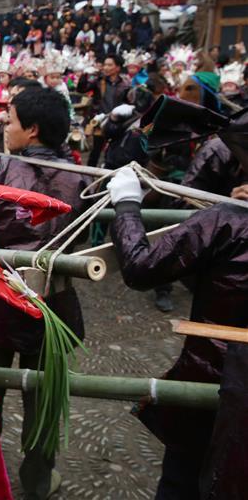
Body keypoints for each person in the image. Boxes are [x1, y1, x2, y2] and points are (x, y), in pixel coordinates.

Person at [0, 87, 90, 500]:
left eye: (12, 118)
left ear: (32, 130)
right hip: (51, 303)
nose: (5, 124)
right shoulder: (84, 179)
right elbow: (85, 238)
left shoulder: (0, 168)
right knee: (43, 400)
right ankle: (38, 480)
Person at [106, 162, 248, 500]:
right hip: (216, 383)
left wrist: (126, 205)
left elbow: (142, 267)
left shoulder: (229, 220)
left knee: (183, 481)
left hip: (215, 382)